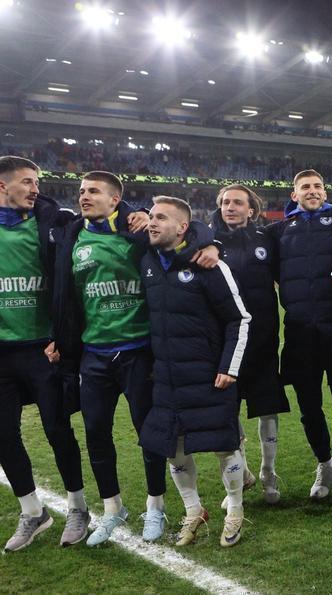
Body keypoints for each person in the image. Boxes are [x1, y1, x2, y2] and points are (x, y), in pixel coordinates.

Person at [49, 170, 217, 545]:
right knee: (96, 433)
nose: (84, 196)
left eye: (93, 191)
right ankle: (113, 509)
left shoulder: (140, 234)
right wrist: (58, 338)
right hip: (93, 354)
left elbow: (193, 228)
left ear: (115, 200)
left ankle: (155, 506)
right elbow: (65, 296)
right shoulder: (72, 237)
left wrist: (212, 243)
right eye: (81, 191)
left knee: (150, 435)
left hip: (138, 352)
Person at [138, 197, 252, 548]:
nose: (152, 223)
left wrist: (229, 368)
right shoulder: (147, 260)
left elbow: (239, 319)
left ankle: (234, 509)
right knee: (173, 448)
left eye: (161, 218)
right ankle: (194, 510)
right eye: (151, 217)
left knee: (223, 444)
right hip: (167, 377)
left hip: (209, 375)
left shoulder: (209, 264)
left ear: (182, 227)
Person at [0, 156, 88, 550]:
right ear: (3, 187)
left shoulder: (54, 220)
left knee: (57, 430)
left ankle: (78, 506)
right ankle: (33, 511)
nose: (36, 188)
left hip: (44, 349)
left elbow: (108, 213)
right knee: (3, 436)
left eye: (36, 181)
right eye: (27, 182)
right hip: (2, 353)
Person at [267, 169, 332, 500]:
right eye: (305, 187)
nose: (312, 190)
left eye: (317, 186)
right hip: (298, 332)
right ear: (294, 195)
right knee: (309, 407)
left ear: (325, 192)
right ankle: (325, 464)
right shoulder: (277, 231)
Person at [211, 184, 290, 504]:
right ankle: (240, 475)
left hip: (263, 339)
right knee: (228, 409)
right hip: (226, 342)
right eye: (225, 202)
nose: (230, 207)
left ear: (251, 209)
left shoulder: (266, 239)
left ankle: (269, 472)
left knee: (267, 409)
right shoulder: (207, 241)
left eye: (237, 203)